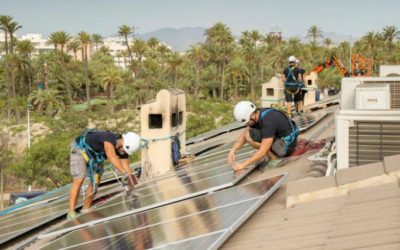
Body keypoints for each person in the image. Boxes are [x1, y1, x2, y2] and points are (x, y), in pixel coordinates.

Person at [67, 130, 141, 220]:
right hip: (80, 148)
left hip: (95, 155)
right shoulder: (108, 138)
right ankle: (71, 212)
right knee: (79, 179)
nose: (123, 153)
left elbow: (127, 169)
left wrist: (133, 187)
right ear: (122, 142)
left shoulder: (122, 150)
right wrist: (123, 173)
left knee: (96, 180)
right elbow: (111, 156)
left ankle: (85, 208)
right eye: (124, 150)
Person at [228, 101, 299, 171]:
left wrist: (243, 164)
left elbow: (263, 151)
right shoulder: (259, 114)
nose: (247, 124)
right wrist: (233, 150)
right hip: (284, 140)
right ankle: (273, 156)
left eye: (247, 122)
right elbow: (243, 135)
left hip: (286, 147)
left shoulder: (268, 121)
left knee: (249, 136)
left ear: (252, 115)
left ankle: (275, 159)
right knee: (248, 133)